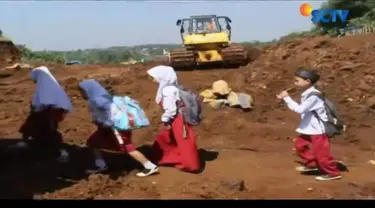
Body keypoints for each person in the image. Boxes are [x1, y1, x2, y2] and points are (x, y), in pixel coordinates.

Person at [78, 79, 158, 177]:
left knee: (128, 148)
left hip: (115, 128)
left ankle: (149, 166)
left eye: (82, 91)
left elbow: (113, 112)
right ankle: (101, 165)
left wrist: (107, 122)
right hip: (106, 128)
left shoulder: (99, 100)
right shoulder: (99, 98)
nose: (81, 94)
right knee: (94, 142)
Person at [276, 68, 341, 181]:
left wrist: (286, 98)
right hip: (308, 128)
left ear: (307, 82)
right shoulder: (307, 94)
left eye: (297, 80)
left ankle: (333, 172)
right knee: (300, 146)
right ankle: (312, 164)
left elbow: (300, 109)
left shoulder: (314, 96)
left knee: (322, 153)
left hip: (318, 130)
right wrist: (285, 99)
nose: (295, 83)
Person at [11, 66, 73, 163]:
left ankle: (61, 152)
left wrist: (35, 109)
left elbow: (44, 103)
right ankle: (25, 143)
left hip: (44, 114)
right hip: (46, 114)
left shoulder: (44, 87)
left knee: (48, 132)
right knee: (30, 127)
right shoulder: (52, 85)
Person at [147, 65, 200, 172]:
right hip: (177, 118)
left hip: (177, 119)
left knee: (184, 141)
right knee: (167, 138)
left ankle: (191, 165)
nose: (152, 79)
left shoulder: (168, 90)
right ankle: (169, 158)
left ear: (162, 77)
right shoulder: (173, 87)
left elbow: (171, 109)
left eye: (155, 76)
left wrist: (166, 119)